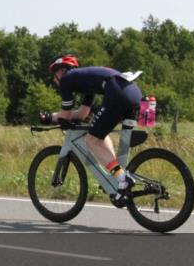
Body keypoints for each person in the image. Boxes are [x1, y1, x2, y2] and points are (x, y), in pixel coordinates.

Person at [40, 56, 142, 207]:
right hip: (133, 92)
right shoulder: (85, 81)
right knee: (100, 134)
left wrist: (49, 117)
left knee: (91, 140)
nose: (55, 81)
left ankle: (122, 179)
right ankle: (117, 176)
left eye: (54, 76)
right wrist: (60, 117)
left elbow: (66, 115)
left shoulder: (66, 79)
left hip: (117, 92)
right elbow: (82, 114)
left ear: (60, 71)